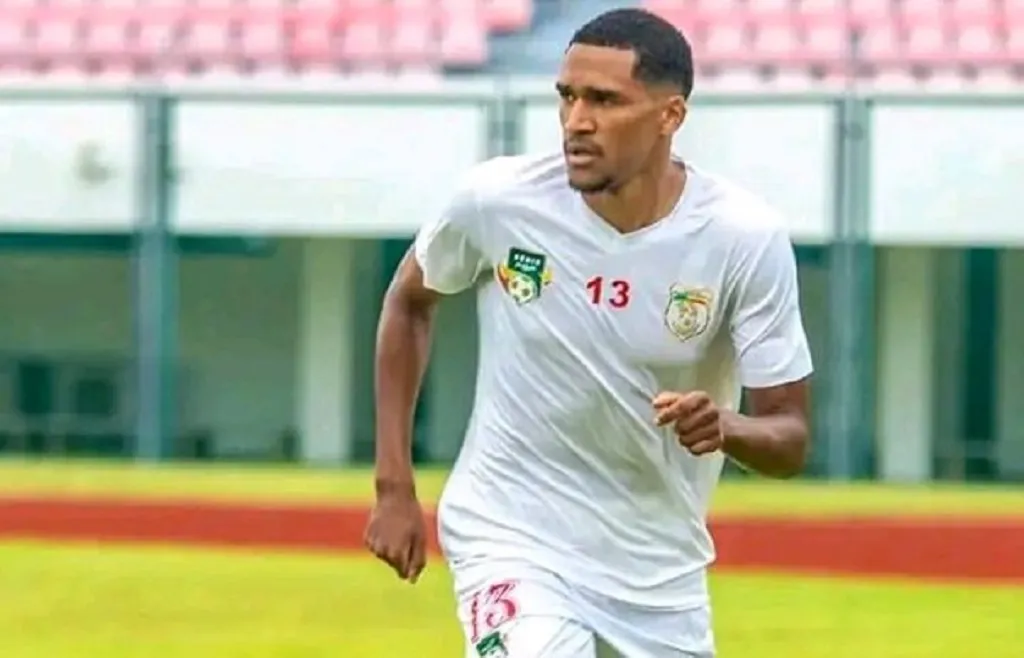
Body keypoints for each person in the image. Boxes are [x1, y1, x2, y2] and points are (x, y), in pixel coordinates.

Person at [364, 7, 813, 657]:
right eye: (567, 97)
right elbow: (409, 302)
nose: (576, 121)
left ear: (670, 116)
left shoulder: (742, 238)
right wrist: (393, 485)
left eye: (604, 100)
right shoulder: (499, 201)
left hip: (658, 576)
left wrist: (726, 426)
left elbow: (789, 437)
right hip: (510, 537)